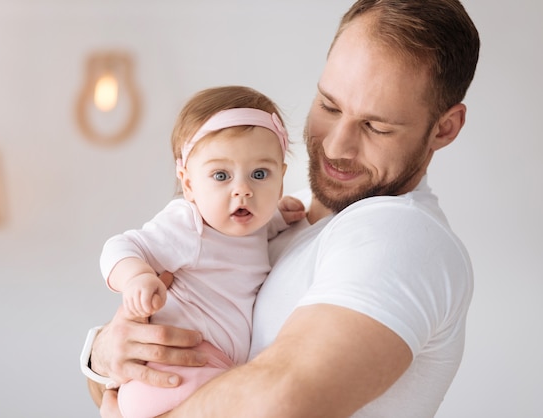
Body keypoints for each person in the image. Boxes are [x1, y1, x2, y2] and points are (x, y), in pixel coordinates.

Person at [81, 0, 480, 416]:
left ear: (445, 128)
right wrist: (102, 355)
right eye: (329, 105)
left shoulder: (401, 233)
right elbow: (114, 388)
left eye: (376, 126)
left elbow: (281, 401)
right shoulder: (265, 228)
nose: (335, 145)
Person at [88, 85, 306, 418]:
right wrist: (137, 277)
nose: (243, 190)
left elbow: (254, 235)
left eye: (260, 174)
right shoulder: (190, 224)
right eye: (221, 175)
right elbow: (118, 247)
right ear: (188, 183)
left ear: (280, 180)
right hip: (181, 361)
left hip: (209, 364)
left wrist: (279, 214)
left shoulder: (256, 225)